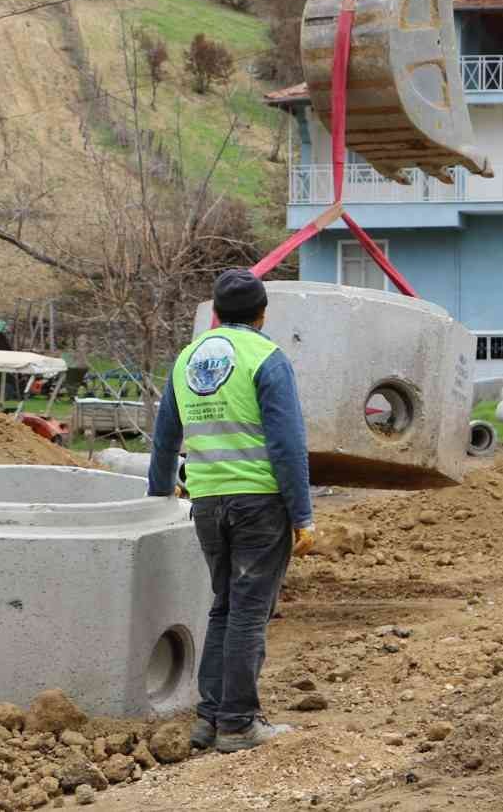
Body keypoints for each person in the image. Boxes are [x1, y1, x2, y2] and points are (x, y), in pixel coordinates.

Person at [149, 269, 316, 753]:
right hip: (258, 504)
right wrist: (302, 515)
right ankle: (239, 723)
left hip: (206, 502)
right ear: (264, 314)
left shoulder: (186, 359)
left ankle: (211, 718)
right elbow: (288, 445)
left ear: (216, 315)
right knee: (248, 613)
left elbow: (165, 437)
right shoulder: (266, 357)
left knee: (223, 607)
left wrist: (159, 494)